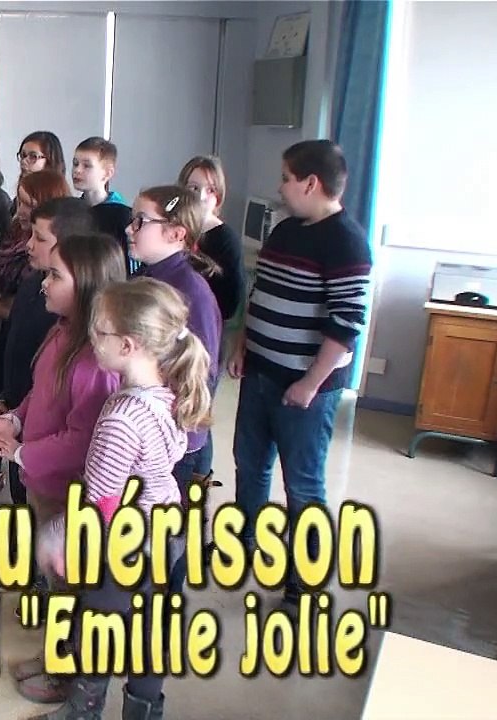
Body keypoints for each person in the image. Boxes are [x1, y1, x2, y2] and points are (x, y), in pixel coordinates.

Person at [28, 277, 212, 720]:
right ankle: (144, 711)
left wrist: (58, 537)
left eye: (100, 331)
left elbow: (101, 502)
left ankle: (83, 711)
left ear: (128, 345)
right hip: (164, 531)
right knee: (148, 633)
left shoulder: (121, 416)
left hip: (124, 546)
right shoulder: (169, 392)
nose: (92, 337)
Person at [230, 140, 372, 614]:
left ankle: (304, 580)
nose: (280, 187)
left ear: (311, 183)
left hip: (304, 388)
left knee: (303, 484)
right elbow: (259, 294)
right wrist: (242, 344)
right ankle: (245, 541)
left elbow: (346, 325)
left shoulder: (347, 242)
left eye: (286, 178)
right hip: (260, 372)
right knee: (250, 464)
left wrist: (311, 382)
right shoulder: (286, 230)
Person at [0, 198, 95, 503]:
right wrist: (1, 397)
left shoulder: (76, 328)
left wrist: (24, 448)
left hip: (51, 460)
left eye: (40, 238)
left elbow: (78, 435)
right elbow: (9, 341)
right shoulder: (33, 284)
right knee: (21, 495)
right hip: (21, 420)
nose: (28, 245)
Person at [126, 186, 223, 508]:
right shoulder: (145, 278)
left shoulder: (192, 293)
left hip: (170, 437)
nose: (129, 229)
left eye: (140, 221)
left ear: (176, 233)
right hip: (143, 426)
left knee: (164, 524)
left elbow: (202, 376)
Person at [0, 169, 70, 323]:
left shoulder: (45, 263)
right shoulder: (14, 232)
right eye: (20, 202)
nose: (20, 212)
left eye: (29, 205)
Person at [179, 155, 246, 326]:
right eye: (194, 188)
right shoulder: (172, 228)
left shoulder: (227, 240)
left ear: (218, 196)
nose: (201, 196)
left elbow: (230, 305)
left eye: (210, 190)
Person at [73, 137, 136, 276]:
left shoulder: (121, 215)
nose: (77, 170)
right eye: (75, 163)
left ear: (107, 173)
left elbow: (127, 263)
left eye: (86, 166)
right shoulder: (73, 210)